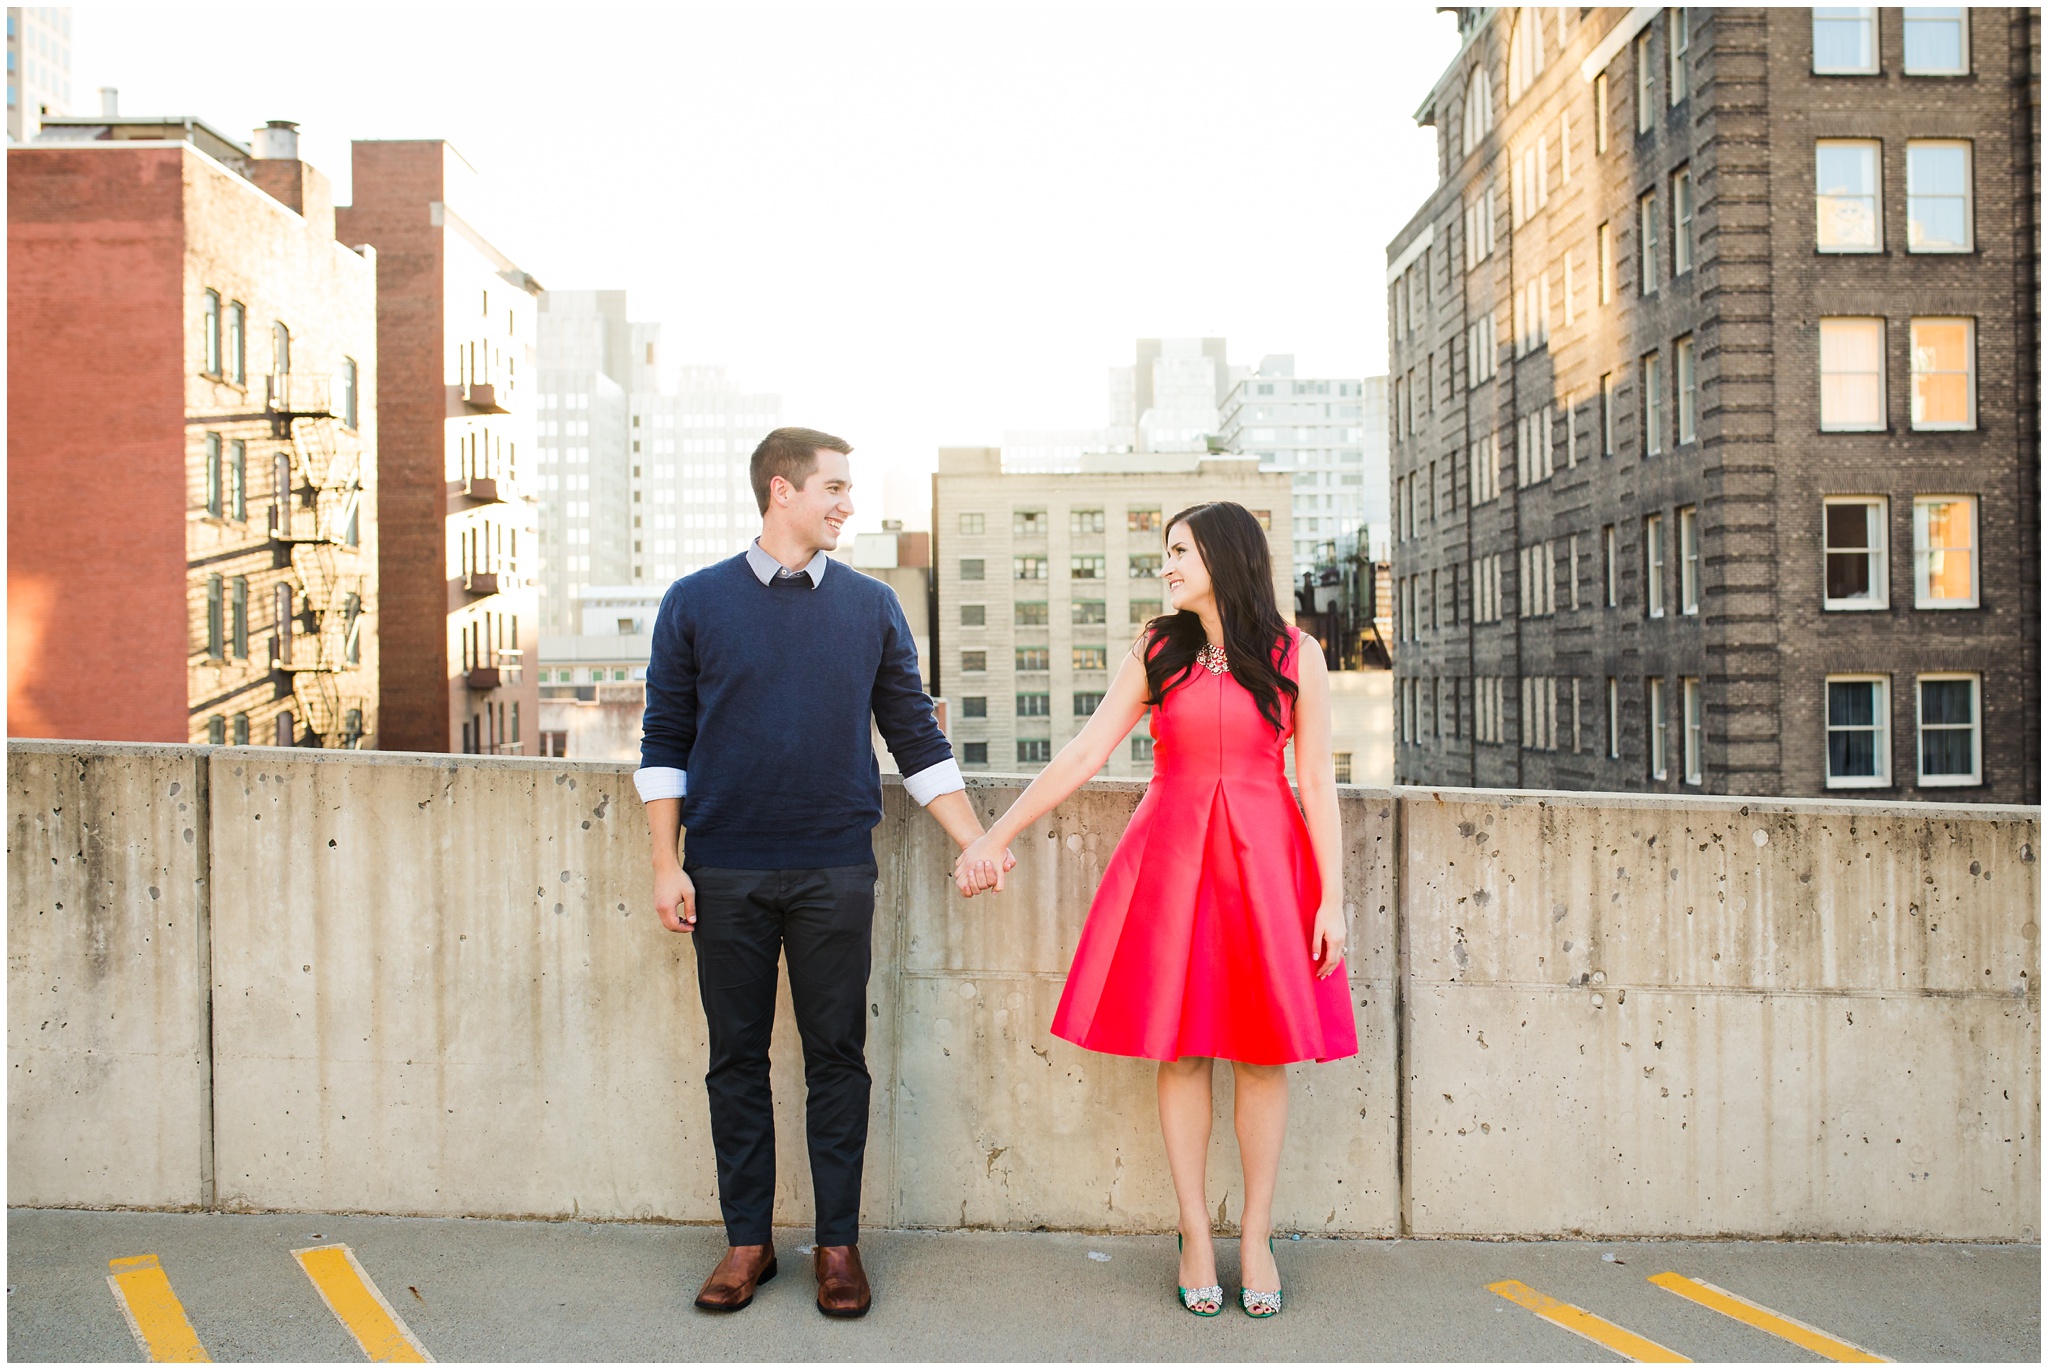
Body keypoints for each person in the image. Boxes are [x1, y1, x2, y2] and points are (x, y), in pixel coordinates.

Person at [637, 427, 1011, 1320]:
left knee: (837, 1060)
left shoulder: (871, 606)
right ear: (782, 491)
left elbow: (915, 738)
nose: (848, 504)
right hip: (723, 871)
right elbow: (664, 740)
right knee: (736, 1062)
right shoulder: (694, 603)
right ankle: (748, 1242)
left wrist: (972, 838)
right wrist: (665, 863)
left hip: (836, 870)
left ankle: (838, 1246)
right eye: (835, 488)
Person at [952, 500, 1354, 1320]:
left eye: (1179, 551)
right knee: (1182, 1052)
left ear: (1225, 556)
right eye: (1164, 552)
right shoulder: (1157, 649)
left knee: (1263, 1054)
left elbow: (1317, 782)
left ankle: (1258, 1237)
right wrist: (995, 833)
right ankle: (1194, 1233)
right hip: (1173, 863)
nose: (1166, 566)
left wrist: (1334, 900)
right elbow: (1086, 752)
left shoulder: (1295, 653)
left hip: (1266, 866)